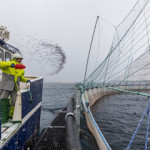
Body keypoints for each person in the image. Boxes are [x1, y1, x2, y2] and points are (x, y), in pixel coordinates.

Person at [0, 53, 30, 118]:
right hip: (6, 86)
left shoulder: (21, 69)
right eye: (20, 59)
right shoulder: (8, 64)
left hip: (15, 87)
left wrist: (26, 80)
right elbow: (0, 64)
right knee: (3, 100)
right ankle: (2, 115)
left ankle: (11, 115)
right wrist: (10, 64)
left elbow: (21, 78)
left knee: (14, 102)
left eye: (21, 59)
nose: (21, 60)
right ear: (15, 59)